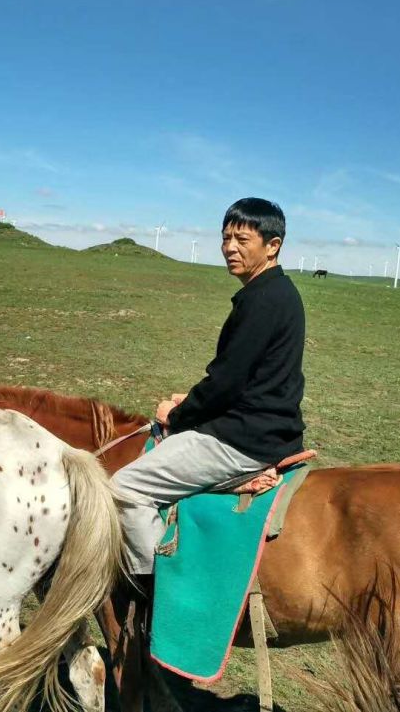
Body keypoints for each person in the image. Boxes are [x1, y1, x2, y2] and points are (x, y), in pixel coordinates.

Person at [112, 197, 305, 574]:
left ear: (273, 245)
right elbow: (247, 377)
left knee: (124, 489)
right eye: (226, 237)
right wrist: (197, 401)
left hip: (245, 440)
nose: (230, 248)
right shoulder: (275, 292)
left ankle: (158, 585)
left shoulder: (262, 300)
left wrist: (178, 414)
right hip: (265, 424)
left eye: (243, 239)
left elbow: (226, 383)